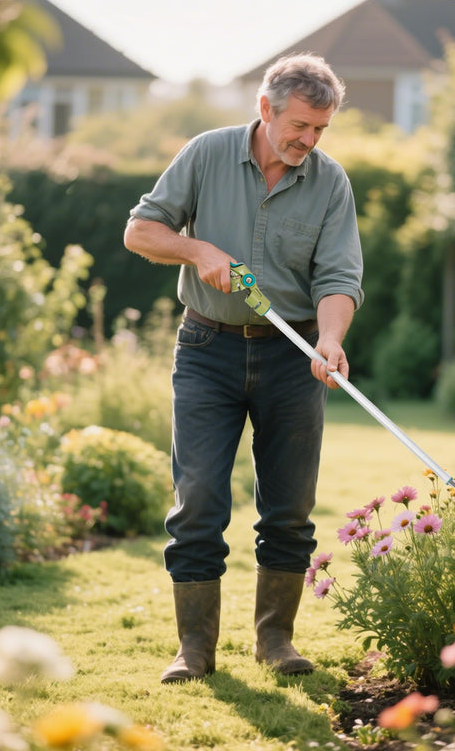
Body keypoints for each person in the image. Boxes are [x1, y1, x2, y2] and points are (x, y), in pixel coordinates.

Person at [123, 53, 364, 683]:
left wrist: (330, 340)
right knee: (199, 499)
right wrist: (196, 249)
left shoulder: (330, 181)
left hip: (294, 356)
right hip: (208, 350)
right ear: (266, 109)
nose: (308, 141)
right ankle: (194, 650)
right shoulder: (207, 154)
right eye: (300, 126)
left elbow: (338, 277)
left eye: (320, 129)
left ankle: (275, 641)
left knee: (290, 507)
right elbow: (141, 231)